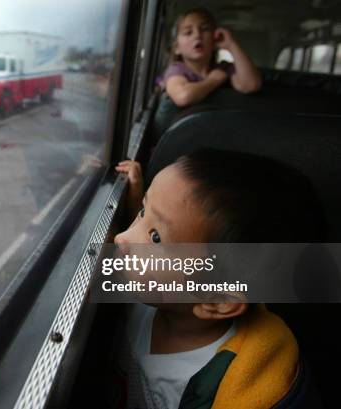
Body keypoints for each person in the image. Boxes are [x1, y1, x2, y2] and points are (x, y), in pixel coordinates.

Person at [111, 150, 324, 409]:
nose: (121, 239)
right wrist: (136, 202)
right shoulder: (165, 293)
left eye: (155, 238)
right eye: (143, 211)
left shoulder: (212, 388)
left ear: (218, 301)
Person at [162, 8, 261, 107]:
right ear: (177, 48)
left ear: (215, 40)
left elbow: (251, 85)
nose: (197, 35)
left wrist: (231, 45)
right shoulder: (176, 70)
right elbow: (183, 97)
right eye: (188, 32)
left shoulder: (224, 68)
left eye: (205, 29)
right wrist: (213, 81)